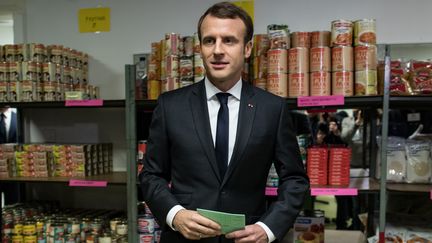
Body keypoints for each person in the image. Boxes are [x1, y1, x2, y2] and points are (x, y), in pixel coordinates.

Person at [139, 2, 309, 243]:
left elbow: (295, 179)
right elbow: (151, 175)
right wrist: (175, 215)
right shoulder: (170, 106)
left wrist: (269, 227)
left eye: (229, 40)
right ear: (200, 48)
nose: (217, 50)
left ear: (247, 48)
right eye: (209, 40)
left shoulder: (272, 109)